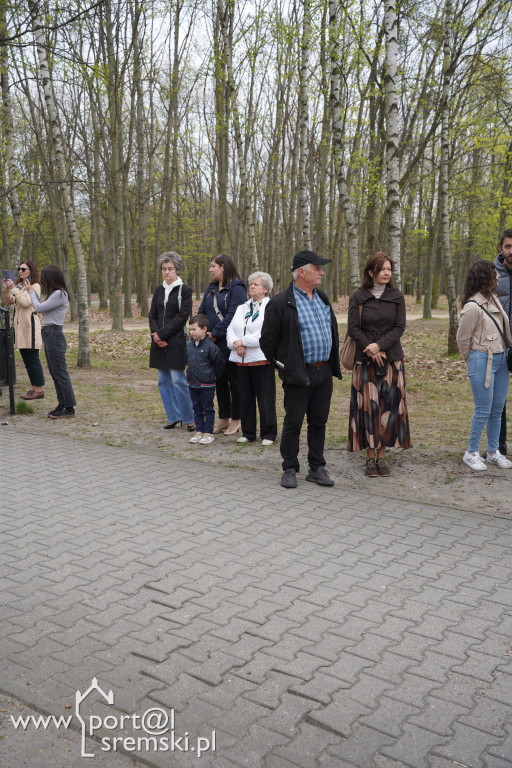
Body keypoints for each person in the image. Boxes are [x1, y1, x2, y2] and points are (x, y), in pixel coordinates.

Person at [260, 250, 341, 488]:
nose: (322, 272)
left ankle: (317, 467)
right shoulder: (280, 303)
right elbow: (267, 343)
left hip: (323, 371)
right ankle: (290, 468)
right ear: (302, 272)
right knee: (293, 422)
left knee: (319, 421)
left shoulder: (323, 298)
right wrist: (285, 368)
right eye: (317, 268)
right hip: (298, 373)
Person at [347, 252, 410, 477]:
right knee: (368, 409)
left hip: (391, 360)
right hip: (365, 361)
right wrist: (370, 348)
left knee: (388, 408)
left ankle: (381, 457)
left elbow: (399, 327)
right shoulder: (358, 296)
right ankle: (369, 458)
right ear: (371, 272)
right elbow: (353, 327)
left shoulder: (396, 296)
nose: (386, 273)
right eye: (382, 269)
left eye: (389, 269)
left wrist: (380, 346)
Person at [457, 259, 512, 471]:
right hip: (482, 360)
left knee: (497, 409)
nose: (498, 276)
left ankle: (492, 452)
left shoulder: (495, 300)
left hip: (501, 360)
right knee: (483, 409)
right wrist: (472, 361)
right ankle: (471, 452)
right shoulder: (473, 306)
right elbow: (462, 339)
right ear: (484, 277)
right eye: (494, 274)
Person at [226, 271, 277, 445]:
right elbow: (230, 329)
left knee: (265, 398)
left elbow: (265, 334)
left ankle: (268, 433)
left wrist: (243, 342)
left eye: (256, 284)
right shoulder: (242, 307)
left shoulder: (271, 308)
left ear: (266, 289)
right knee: (245, 397)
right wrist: (236, 344)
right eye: (251, 284)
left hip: (261, 358)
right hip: (241, 360)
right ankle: (248, 432)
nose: (252, 287)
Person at [198, 254, 247, 435]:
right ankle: (223, 418)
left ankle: (236, 419)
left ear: (223, 267)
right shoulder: (211, 289)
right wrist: (201, 330)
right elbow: (202, 311)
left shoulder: (238, 288)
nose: (210, 269)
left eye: (213, 266)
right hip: (213, 343)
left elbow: (234, 315)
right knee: (219, 382)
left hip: (230, 343)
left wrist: (216, 333)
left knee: (234, 383)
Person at [148, 251, 195, 431]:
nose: (166, 272)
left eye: (170, 269)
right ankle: (173, 416)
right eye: (163, 269)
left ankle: (190, 418)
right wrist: (155, 335)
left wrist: (163, 334)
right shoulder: (159, 290)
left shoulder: (185, 290)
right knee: (163, 381)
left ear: (177, 270)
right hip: (158, 342)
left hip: (175, 341)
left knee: (178, 380)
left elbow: (183, 316)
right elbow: (152, 314)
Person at [23, 264, 76, 419]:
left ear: (52, 278)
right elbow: (43, 307)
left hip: (53, 334)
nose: (44, 281)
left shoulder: (60, 294)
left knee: (60, 373)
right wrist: (32, 292)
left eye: (45, 277)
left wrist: (32, 292)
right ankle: (63, 404)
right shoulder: (55, 294)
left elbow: (38, 308)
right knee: (55, 373)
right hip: (49, 333)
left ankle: (69, 408)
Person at [2, 260, 45, 400]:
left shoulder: (35, 286)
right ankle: (34, 388)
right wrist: (7, 289)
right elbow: (8, 302)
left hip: (30, 327)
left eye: (23, 269)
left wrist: (14, 288)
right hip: (20, 327)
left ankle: (39, 389)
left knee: (33, 358)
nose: (20, 271)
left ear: (31, 271)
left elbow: (27, 303)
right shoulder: (20, 287)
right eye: (19, 269)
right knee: (26, 358)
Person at [186, 314, 225, 445]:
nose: (191, 332)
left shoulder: (211, 347)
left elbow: (219, 365)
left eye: (194, 329)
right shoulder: (188, 346)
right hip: (192, 383)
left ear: (204, 329)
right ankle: (199, 431)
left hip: (207, 384)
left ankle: (208, 432)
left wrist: (212, 377)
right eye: (190, 329)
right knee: (196, 408)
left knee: (207, 408)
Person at [493, 227, 512, 455]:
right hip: (498, 345)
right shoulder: (491, 273)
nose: (511, 251)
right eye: (508, 246)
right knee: (498, 399)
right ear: (501, 248)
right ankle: (498, 444)